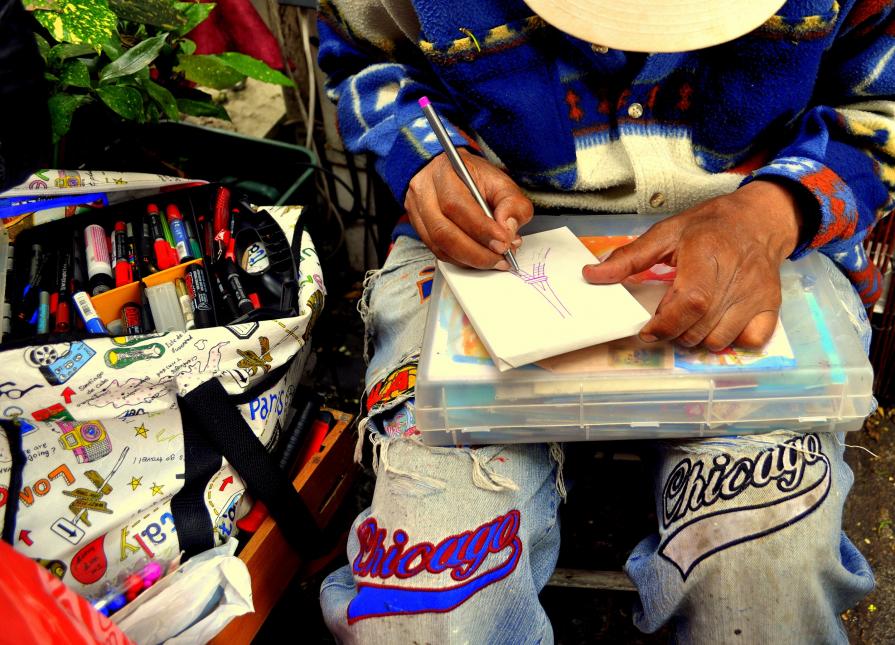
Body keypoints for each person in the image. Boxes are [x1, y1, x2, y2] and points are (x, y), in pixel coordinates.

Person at [316, 0, 893, 641]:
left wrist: (775, 211)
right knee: (420, 614)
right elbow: (366, 63)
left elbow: (881, 108)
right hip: (479, 251)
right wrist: (425, 157)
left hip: (759, 247)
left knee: (763, 586)